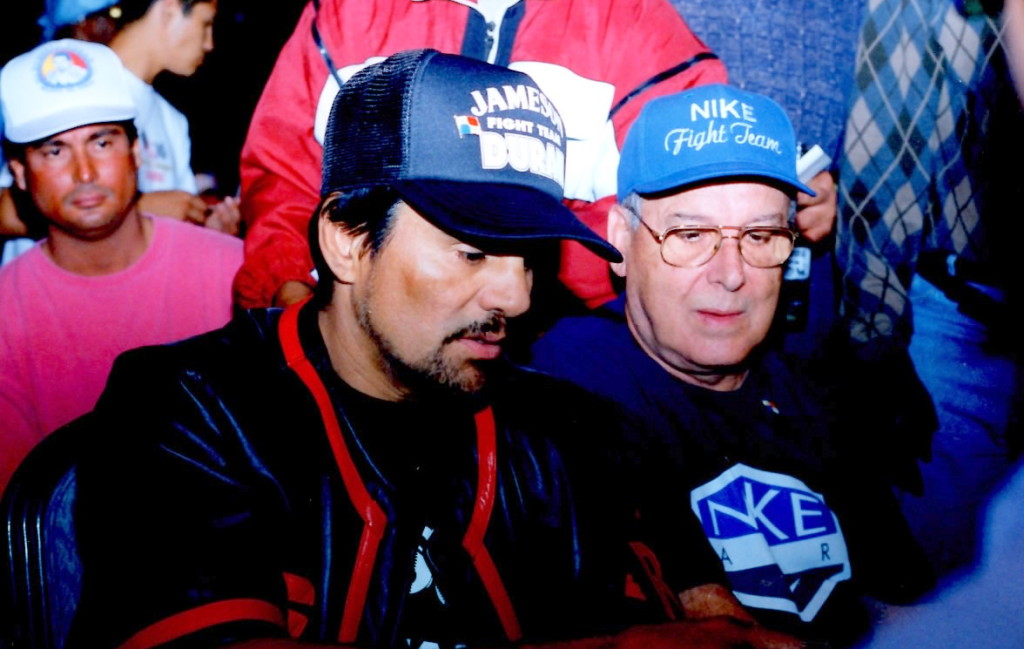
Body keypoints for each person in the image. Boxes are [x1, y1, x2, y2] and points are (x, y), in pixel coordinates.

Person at [68, 50, 799, 649]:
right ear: (347, 242)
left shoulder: (575, 433)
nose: (514, 297)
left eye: (530, 255)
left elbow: (701, 612)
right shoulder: (185, 409)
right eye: (474, 252)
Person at [530, 84, 931, 647]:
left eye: (761, 236)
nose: (731, 273)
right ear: (621, 240)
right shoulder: (566, 375)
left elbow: (901, 603)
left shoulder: (821, 393)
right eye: (691, 235)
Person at [234, 0, 728, 310]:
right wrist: (288, 285)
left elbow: (690, 194)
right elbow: (283, 175)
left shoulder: (631, 21)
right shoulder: (350, 13)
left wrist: (535, 286)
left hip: (559, 343)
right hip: (368, 326)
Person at [0, 38, 242, 493]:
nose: (85, 172)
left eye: (102, 140)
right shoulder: (5, 315)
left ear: (136, 151)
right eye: (54, 150)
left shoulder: (232, 272)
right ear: (18, 170)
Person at [835, 0, 1024, 576]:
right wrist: (874, 347)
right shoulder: (920, 8)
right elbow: (880, 177)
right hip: (964, 319)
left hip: (984, 309)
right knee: (945, 561)